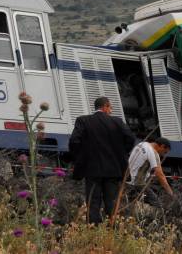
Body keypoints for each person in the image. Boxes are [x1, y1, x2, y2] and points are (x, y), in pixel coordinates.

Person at [69, 96, 136, 224]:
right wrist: (120, 153)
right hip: (113, 170)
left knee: (93, 201)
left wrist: (81, 157)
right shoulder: (117, 122)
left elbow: (74, 141)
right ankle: (112, 228)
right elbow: (130, 139)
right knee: (111, 202)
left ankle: (93, 228)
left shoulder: (83, 121)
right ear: (105, 106)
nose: (111, 111)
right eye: (110, 108)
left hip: (92, 169)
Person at [128, 136, 174, 206]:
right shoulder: (153, 153)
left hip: (127, 180)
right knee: (157, 204)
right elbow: (160, 175)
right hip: (137, 183)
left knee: (130, 202)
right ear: (162, 146)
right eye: (165, 152)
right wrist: (170, 193)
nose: (163, 155)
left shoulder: (141, 144)